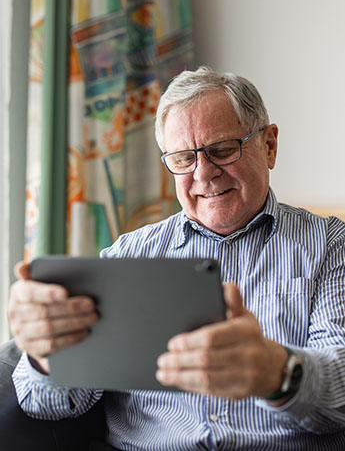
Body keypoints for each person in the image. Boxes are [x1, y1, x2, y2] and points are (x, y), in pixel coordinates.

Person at [8, 66, 345, 450]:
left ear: (268, 145)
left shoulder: (331, 246)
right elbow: (47, 405)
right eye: (184, 159)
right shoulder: (129, 256)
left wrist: (278, 373)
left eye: (222, 150)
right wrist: (45, 355)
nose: (204, 174)